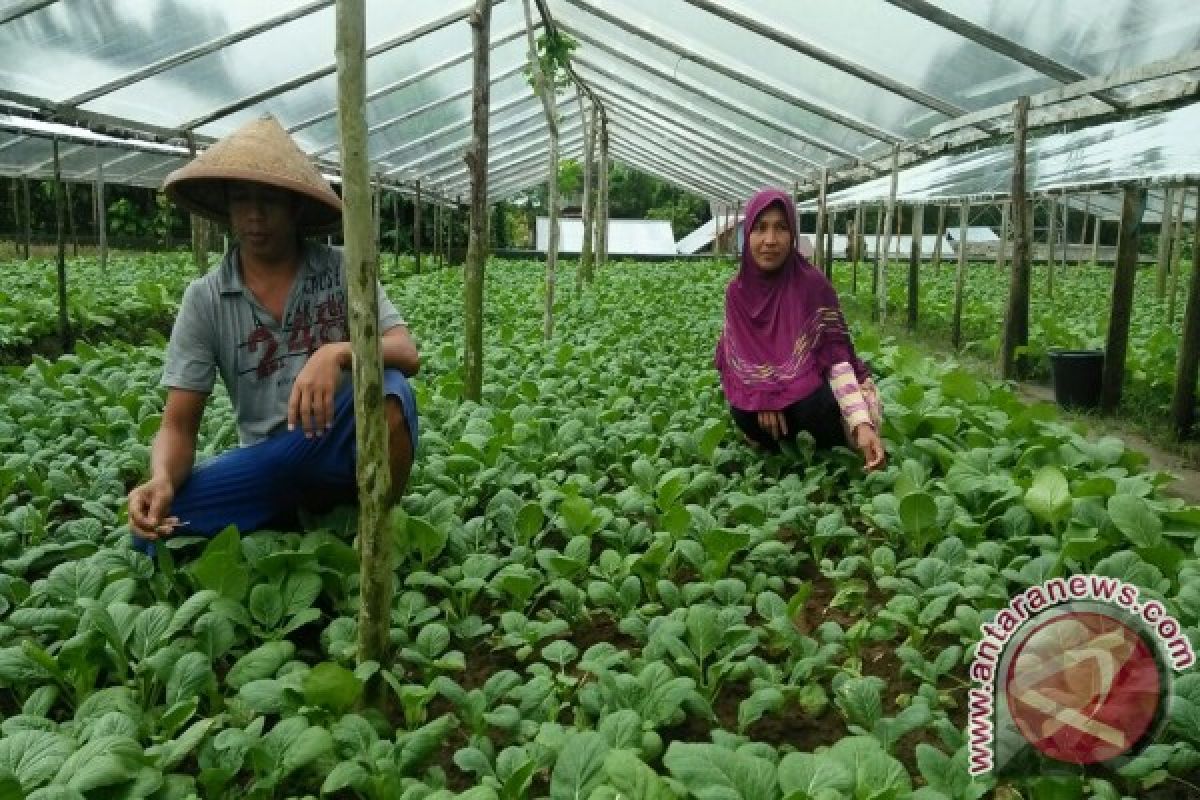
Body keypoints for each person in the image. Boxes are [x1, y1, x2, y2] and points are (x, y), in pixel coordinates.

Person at [126, 115, 420, 556]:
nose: (254, 215)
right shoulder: (205, 298)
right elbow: (178, 424)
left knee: (392, 391)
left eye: (269, 200)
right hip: (269, 459)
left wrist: (337, 352)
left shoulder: (342, 270)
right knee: (152, 533)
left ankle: (374, 526)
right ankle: (291, 513)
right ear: (227, 207)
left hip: (340, 445)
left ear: (295, 207)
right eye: (241, 199)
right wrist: (163, 478)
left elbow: (406, 352)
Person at [715, 188, 885, 470]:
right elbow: (735, 366)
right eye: (760, 228)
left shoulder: (811, 285)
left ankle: (815, 448)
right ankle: (781, 442)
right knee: (741, 409)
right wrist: (764, 395)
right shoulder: (737, 293)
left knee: (810, 402)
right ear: (748, 236)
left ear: (793, 234)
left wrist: (862, 425)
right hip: (766, 408)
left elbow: (836, 359)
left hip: (811, 407)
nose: (770, 240)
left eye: (781, 228)